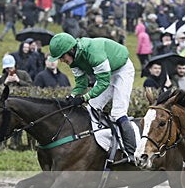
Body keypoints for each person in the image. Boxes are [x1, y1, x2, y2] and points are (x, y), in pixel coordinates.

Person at [47, 32, 138, 164]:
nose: (61, 61)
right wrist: (72, 96)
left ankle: (132, 153)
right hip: (107, 73)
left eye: (62, 57)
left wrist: (84, 98)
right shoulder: (73, 61)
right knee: (92, 107)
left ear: (71, 50)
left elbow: (103, 82)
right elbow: (81, 84)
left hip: (122, 69)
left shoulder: (93, 53)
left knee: (118, 113)